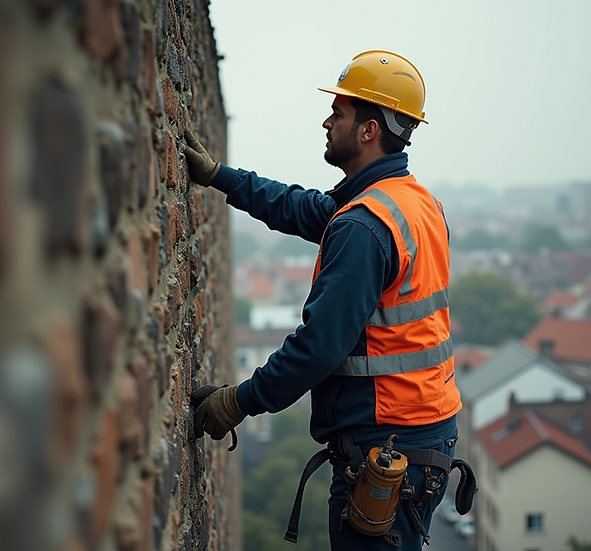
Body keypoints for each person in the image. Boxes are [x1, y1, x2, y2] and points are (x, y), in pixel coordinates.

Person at [185, 50, 464, 551]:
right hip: (425, 433)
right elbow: (304, 207)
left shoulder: (365, 226)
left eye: (339, 112)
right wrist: (221, 177)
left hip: (387, 445)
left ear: (368, 129)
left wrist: (239, 401)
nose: (327, 120)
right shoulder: (412, 201)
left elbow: (318, 347)